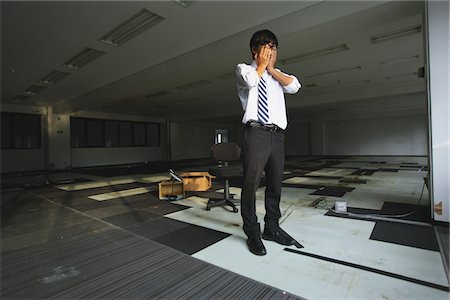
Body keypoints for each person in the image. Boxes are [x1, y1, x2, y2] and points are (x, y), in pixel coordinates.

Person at [236, 29, 302, 256]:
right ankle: (251, 231)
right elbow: (251, 81)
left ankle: (271, 227)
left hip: (277, 135)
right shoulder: (244, 69)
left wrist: (272, 68)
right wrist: (262, 65)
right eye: (266, 47)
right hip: (256, 133)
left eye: (274, 47)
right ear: (255, 50)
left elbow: (294, 86)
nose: (271, 51)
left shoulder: (277, 74)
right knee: (251, 183)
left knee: (275, 182)